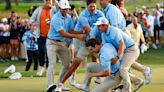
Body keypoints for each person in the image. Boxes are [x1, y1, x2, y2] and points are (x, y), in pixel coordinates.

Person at [61, 0, 104, 87]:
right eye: (90, 7)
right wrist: (93, 39)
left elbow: (103, 26)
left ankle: (98, 77)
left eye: (94, 6)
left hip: (92, 39)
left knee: (94, 57)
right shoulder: (83, 15)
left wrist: (95, 41)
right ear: (87, 6)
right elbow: (87, 29)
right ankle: (72, 76)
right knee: (76, 59)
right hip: (79, 37)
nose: (92, 8)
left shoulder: (100, 14)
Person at [46, 0, 85, 92]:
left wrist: (81, 32)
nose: (65, 10)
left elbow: (71, 30)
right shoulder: (56, 18)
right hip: (51, 43)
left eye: (66, 9)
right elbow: (63, 33)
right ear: (59, 8)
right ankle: (50, 85)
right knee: (52, 63)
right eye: (63, 9)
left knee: (67, 64)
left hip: (62, 43)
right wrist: (78, 36)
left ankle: (59, 84)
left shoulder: (68, 17)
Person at [95, 17, 141, 92]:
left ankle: (127, 90)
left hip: (131, 49)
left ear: (106, 25)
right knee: (119, 70)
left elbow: (122, 45)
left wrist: (117, 57)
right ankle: (137, 81)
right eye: (97, 26)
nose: (98, 28)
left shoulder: (114, 31)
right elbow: (104, 46)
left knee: (122, 69)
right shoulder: (103, 34)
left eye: (99, 26)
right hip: (123, 51)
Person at [29, 0, 58, 76]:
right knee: (41, 51)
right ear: (44, 2)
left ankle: (49, 69)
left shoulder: (54, 9)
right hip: (41, 35)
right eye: (47, 1)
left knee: (50, 53)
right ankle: (41, 66)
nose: (49, 3)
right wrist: (33, 23)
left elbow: (60, 10)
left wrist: (55, 3)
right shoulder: (39, 9)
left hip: (51, 36)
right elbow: (31, 19)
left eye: (50, 1)